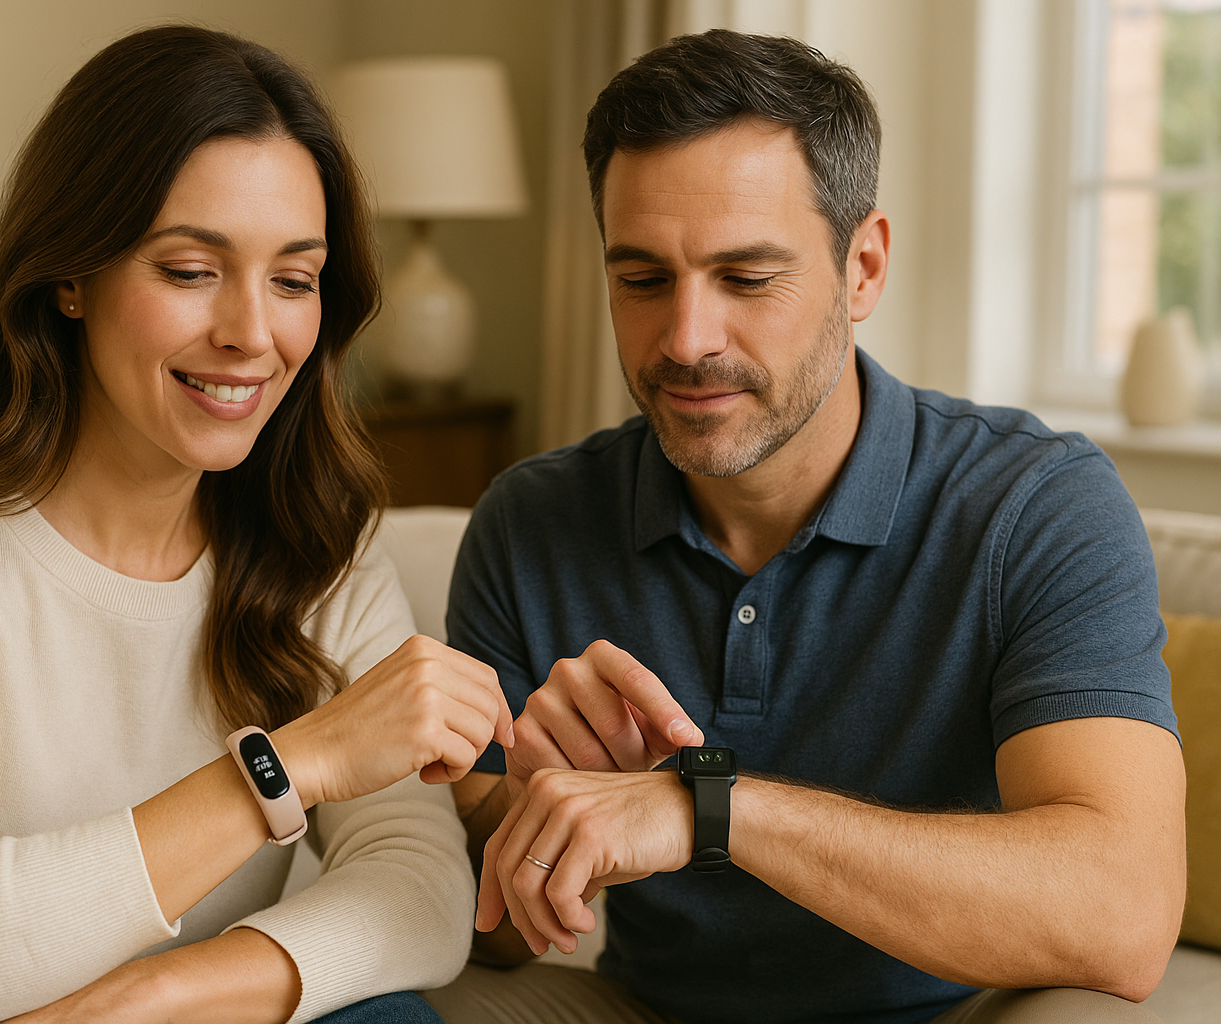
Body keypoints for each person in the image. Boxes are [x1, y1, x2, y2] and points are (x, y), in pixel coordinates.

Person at [0, 25, 511, 1024]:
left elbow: (422, 892)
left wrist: (157, 991)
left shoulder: (320, 560)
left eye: (295, 278)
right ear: (71, 275)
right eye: (190, 269)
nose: (252, 334)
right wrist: (295, 760)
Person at [424, 28, 1185, 1024]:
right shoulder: (531, 521)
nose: (687, 340)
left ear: (862, 267)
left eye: (747, 279)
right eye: (643, 280)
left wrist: (705, 807)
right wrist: (538, 824)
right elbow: (495, 938)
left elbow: (1122, 912)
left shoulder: (1035, 506)